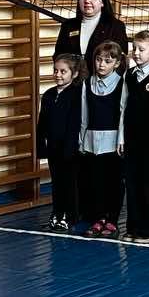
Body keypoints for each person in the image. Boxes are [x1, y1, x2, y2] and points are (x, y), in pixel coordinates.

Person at [118, 31, 149, 244]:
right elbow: (123, 107)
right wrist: (121, 138)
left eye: (141, 49)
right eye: (134, 49)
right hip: (131, 137)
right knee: (132, 182)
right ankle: (134, 226)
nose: (136, 53)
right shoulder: (129, 75)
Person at [78, 41, 125, 236]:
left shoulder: (122, 83)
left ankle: (112, 219)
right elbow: (84, 115)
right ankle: (99, 218)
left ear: (117, 63)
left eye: (107, 61)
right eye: (98, 60)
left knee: (113, 182)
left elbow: (123, 114)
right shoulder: (87, 83)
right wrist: (81, 140)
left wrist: (121, 140)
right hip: (92, 140)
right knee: (95, 182)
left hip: (113, 142)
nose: (101, 64)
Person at [38, 53, 83, 232]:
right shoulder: (49, 94)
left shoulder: (77, 94)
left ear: (74, 73)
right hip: (53, 147)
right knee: (56, 182)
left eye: (63, 71)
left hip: (70, 148)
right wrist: (41, 146)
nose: (58, 74)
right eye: (55, 71)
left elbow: (75, 123)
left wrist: (70, 148)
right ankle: (57, 213)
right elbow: (42, 123)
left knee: (70, 183)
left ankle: (70, 216)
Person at [52, 0, 129, 64]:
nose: (87, 1)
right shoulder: (68, 25)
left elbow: (121, 59)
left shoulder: (116, 26)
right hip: (73, 73)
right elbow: (58, 55)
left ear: (102, 2)